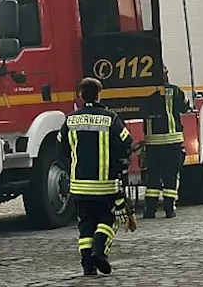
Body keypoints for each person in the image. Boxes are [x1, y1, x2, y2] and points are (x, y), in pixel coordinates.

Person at [58, 77, 133, 276]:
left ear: (80, 95)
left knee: (85, 225)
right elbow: (126, 142)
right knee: (108, 219)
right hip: (105, 184)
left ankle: (87, 266)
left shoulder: (70, 119)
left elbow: (63, 148)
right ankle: (99, 252)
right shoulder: (111, 118)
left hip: (78, 186)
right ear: (99, 94)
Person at [142, 65, 192, 219]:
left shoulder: (144, 91)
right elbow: (185, 108)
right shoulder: (175, 91)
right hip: (172, 140)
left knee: (153, 177)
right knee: (171, 176)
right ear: (165, 76)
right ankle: (169, 210)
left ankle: (150, 210)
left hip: (153, 142)